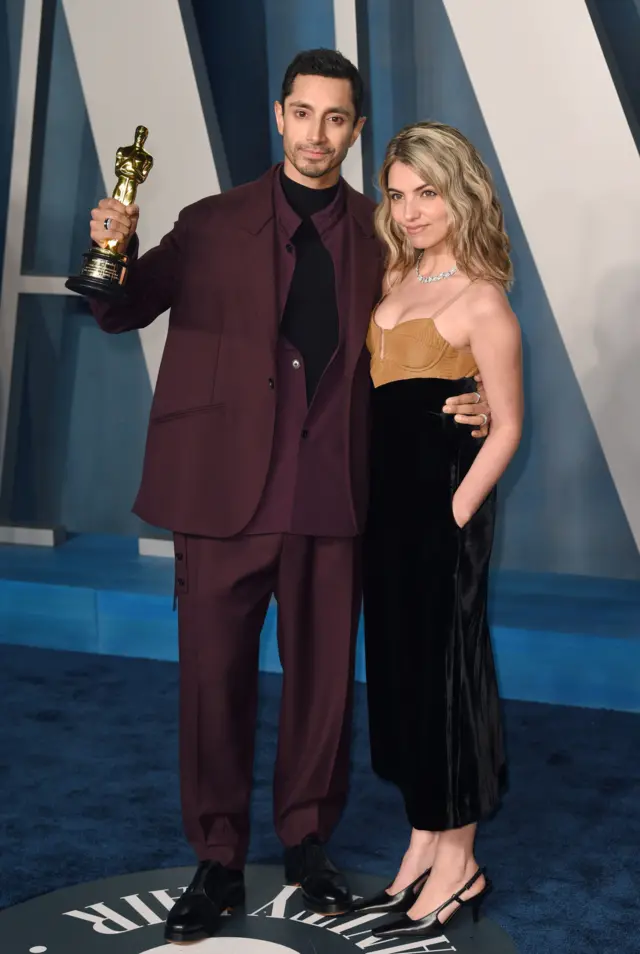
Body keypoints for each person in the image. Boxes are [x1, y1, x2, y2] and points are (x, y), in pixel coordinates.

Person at [85, 52, 491, 943]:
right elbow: (120, 311)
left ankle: (309, 844)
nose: (316, 135)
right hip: (222, 494)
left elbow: (445, 316)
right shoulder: (209, 222)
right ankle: (217, 858)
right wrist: (111, 244)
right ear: (278, 117)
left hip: (335, 496)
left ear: (355, 127)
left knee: (322, 690)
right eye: (302, 114)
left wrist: (482, 390)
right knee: (212, 686)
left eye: (336, 119)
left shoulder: (386, 235)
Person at [353, 122, 523, 940]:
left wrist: (453, 518)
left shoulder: (483, 297)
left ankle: (462, 863)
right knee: (403, 681)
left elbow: (508, 426)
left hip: (441, 518)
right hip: (383, 518)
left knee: (449, 682)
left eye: (428, 193)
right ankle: (425, 838)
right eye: (397, 193)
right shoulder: (391, 273)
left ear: (460, 193)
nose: (413, 210)